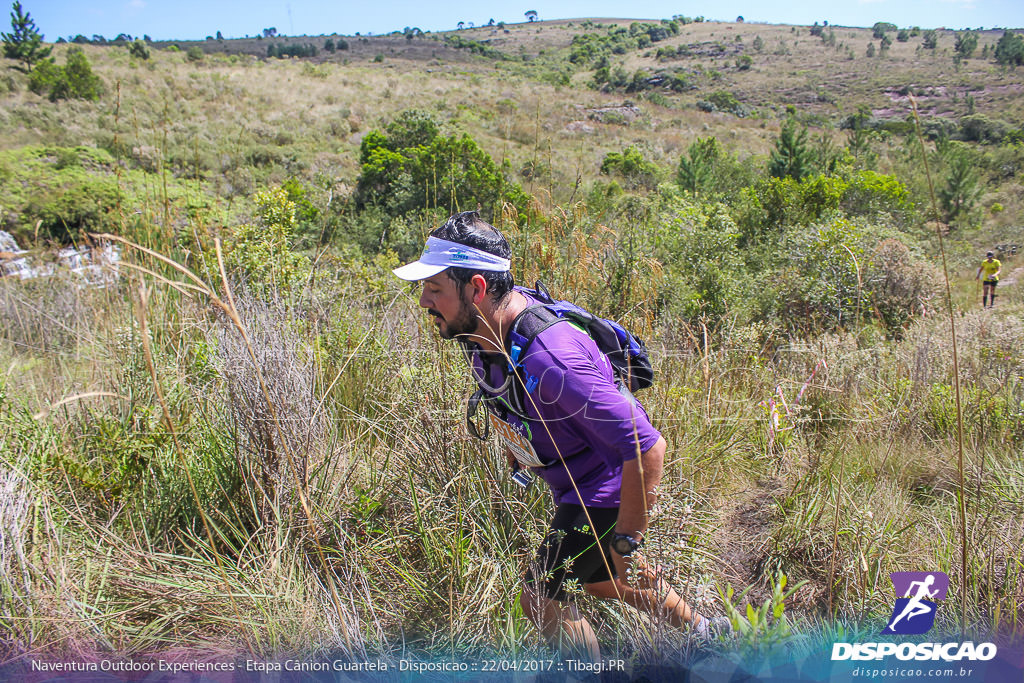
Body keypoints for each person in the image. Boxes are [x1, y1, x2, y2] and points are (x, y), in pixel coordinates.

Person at [393, 211, 726, 662]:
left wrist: (628, 538)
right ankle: (708, 632)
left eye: (434, 289)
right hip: (575, 482)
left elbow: (647, 445)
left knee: (541, 595)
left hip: (605, 490)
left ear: (477, 287)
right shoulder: (484, 326)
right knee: (603, 579)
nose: (423, 301)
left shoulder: (552, 361)